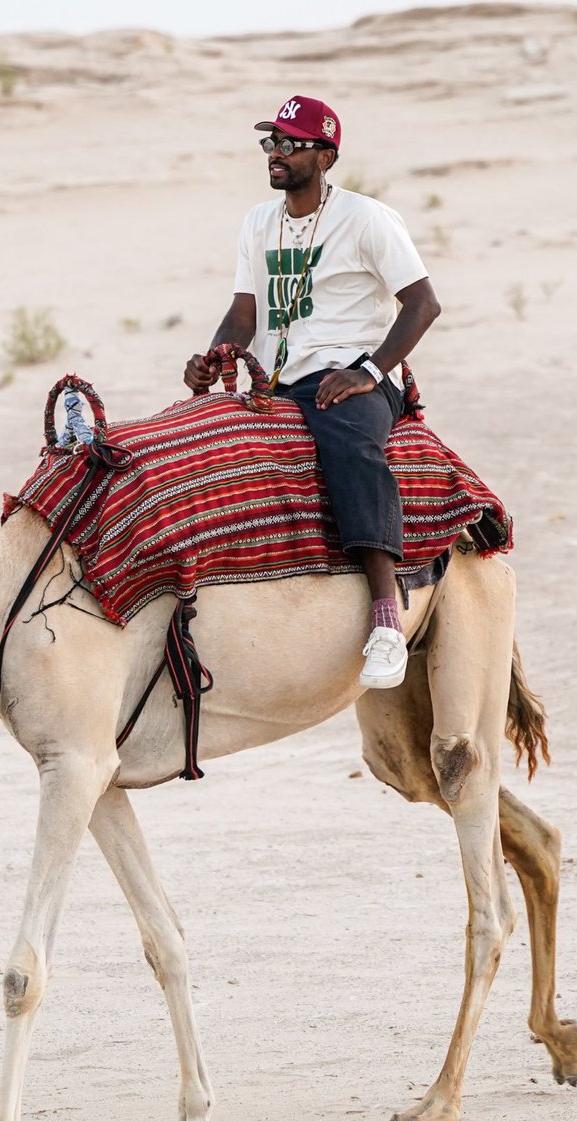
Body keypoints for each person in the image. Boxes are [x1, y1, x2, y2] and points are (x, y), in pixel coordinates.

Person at [184, 95, 441, 689]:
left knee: (348, 446)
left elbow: (423, 303)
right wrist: (214, 356)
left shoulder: (367, 218)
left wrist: (370, 373)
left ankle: (385, 621)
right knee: (200, 444)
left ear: (325, 155)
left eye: (289, 143)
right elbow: (244, 313)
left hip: (350, 379)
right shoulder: (258, 221)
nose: (275, 153)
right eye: (270, 141)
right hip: (277, 379)